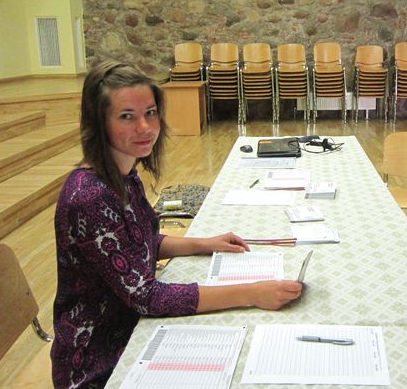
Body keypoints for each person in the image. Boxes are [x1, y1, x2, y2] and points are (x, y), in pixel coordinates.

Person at [51, 62, 302, 388]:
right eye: (126, 116)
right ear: (99, 122)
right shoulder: (90, 197)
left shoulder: (124, 174)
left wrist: (204, 243)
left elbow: (141, 243)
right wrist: (252, 293)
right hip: (99, 362)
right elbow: (145, 296)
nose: (145, 127)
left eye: (150, 113)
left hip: (133, 330)